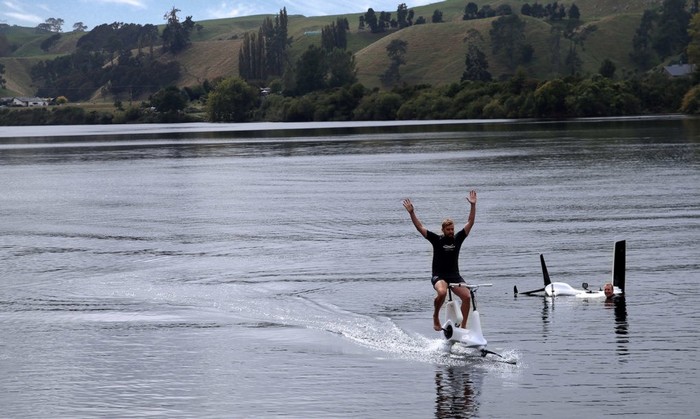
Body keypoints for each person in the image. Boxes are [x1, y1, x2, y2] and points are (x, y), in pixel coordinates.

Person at [403, 190, 478, 332]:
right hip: (439, 276)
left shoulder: (458, 239)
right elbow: (420, 227)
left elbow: (471, 222)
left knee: (467, 296)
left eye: (452, 229)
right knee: (442, 293)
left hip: (454, 275)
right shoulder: (437, 240)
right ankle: (435, 317)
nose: (451, 231)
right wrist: (412, 213)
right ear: (443, 229)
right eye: (448, 229)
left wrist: (473, 205)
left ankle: (463, 328)